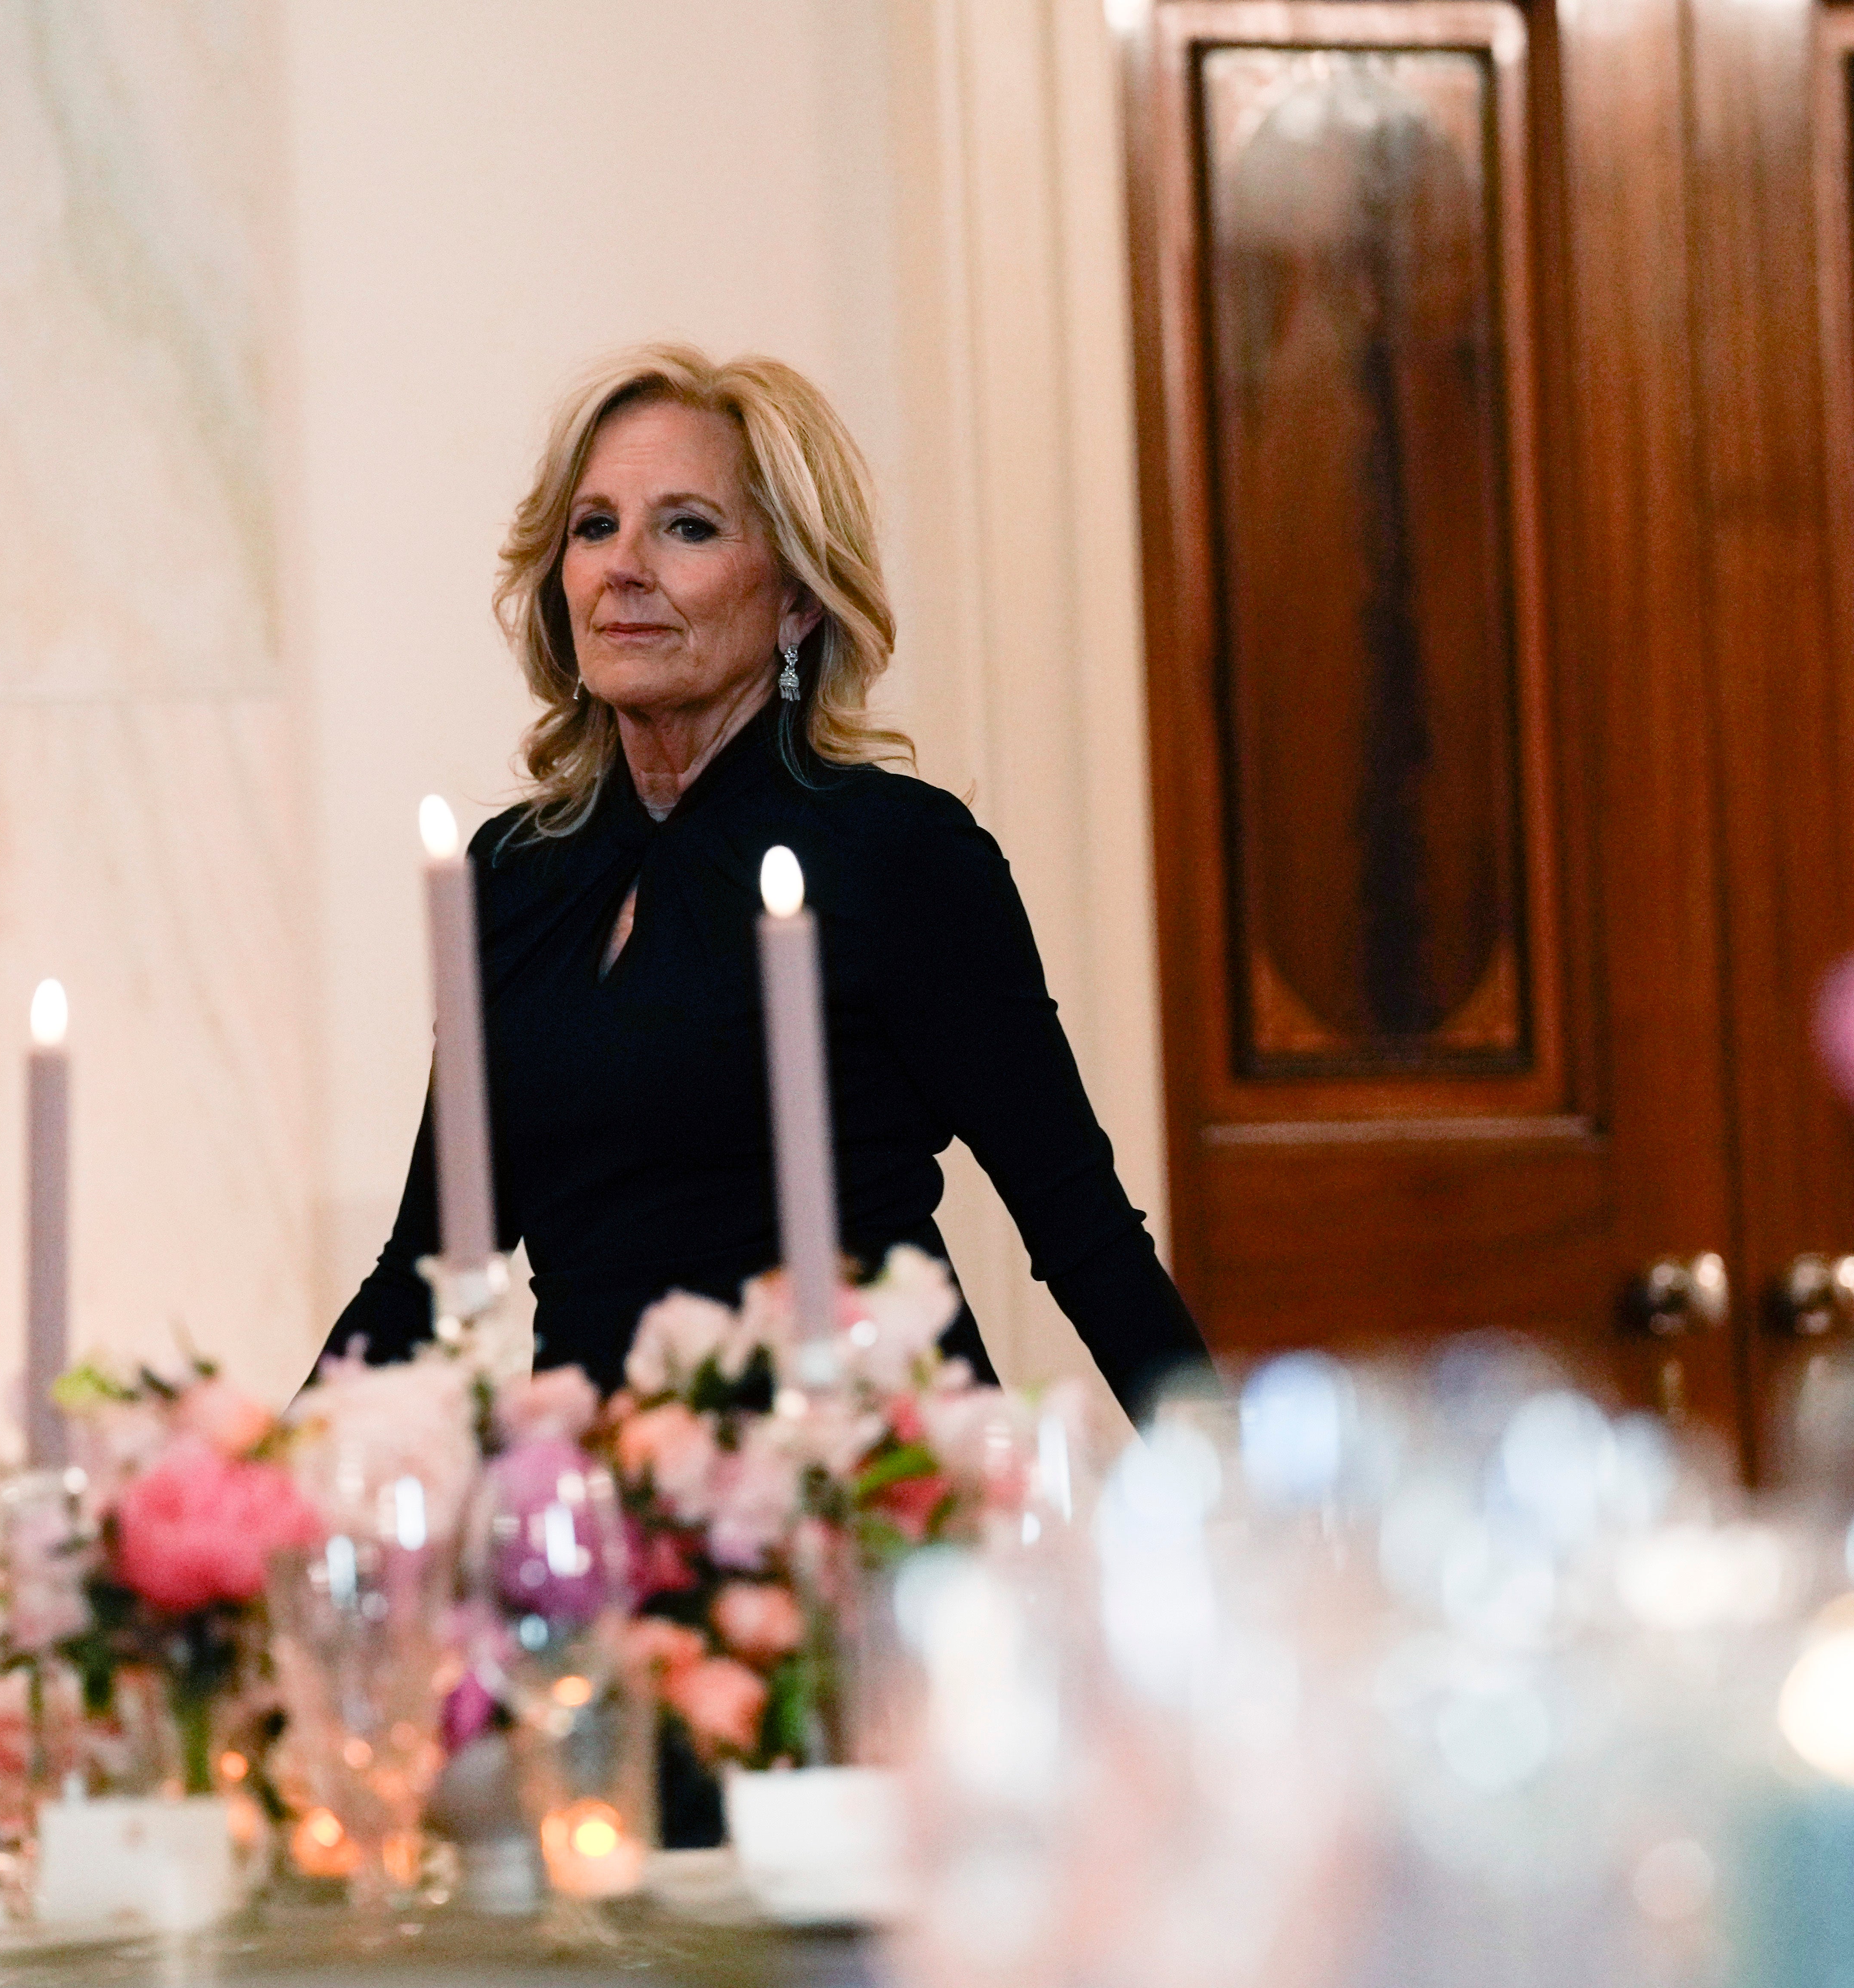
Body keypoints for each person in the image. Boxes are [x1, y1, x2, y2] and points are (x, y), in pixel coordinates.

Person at [321, 342, 1201, 1422]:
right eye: (594, 527)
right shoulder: (510, 875)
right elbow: (425, 1272)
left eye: (687, 527)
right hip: (615, 1518)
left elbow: (1081, 1230)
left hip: (862, 1492)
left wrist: (1242, 1515)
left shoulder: (901, 855)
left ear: (796, 603)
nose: (623, 567)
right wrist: (251, 1523)